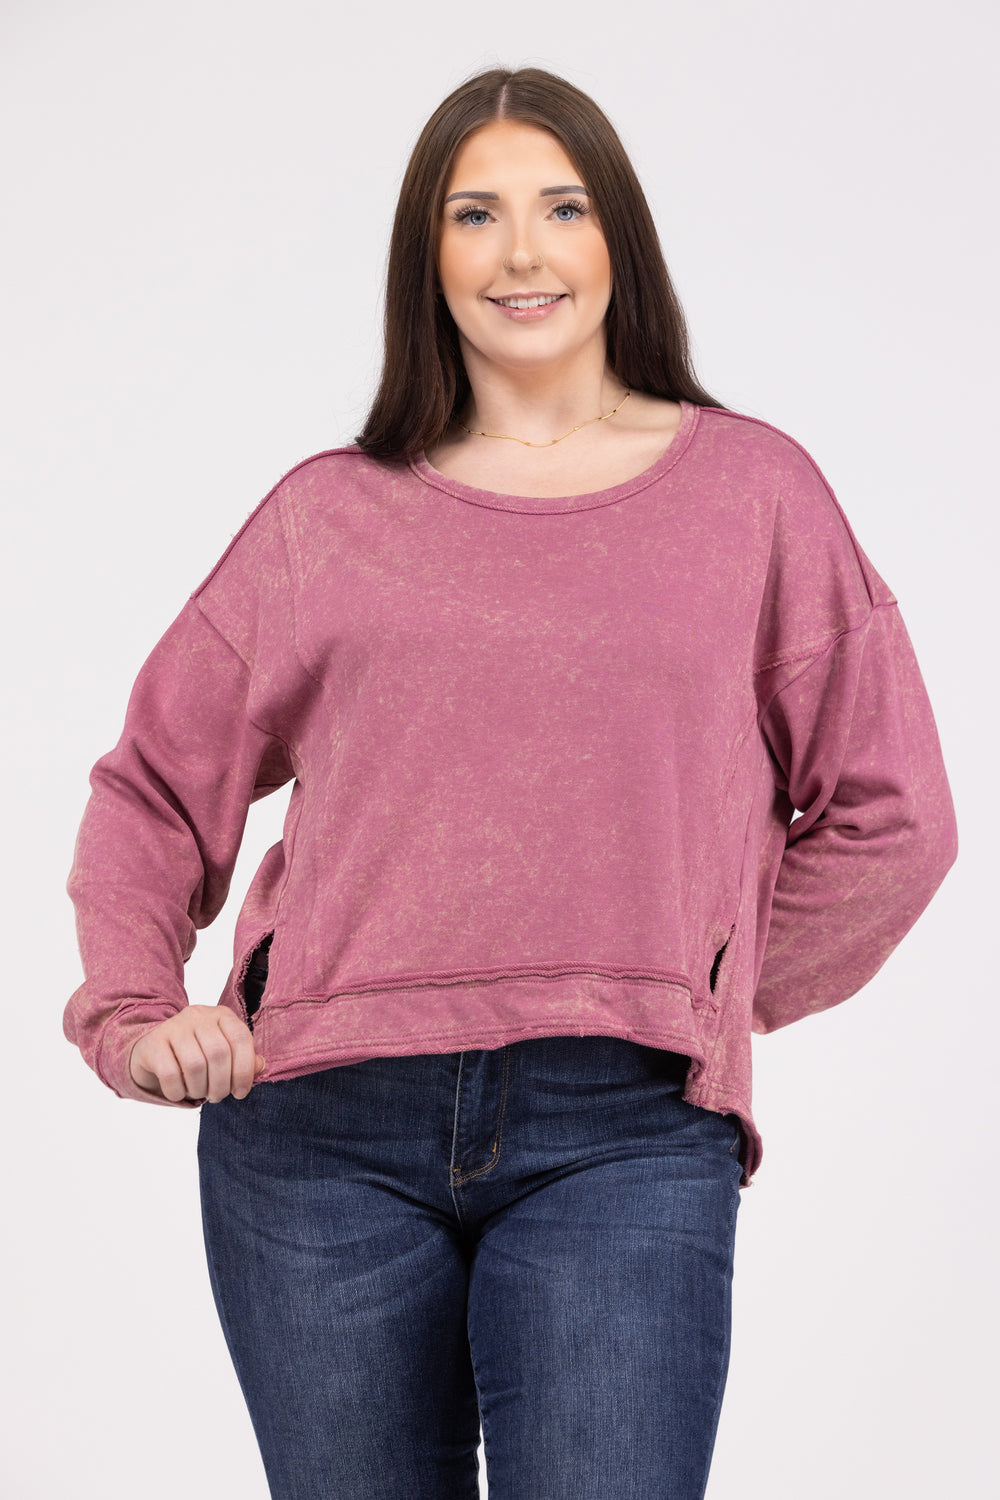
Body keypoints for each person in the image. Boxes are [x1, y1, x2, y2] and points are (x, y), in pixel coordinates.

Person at [63, 65, 958, 1500]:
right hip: (318, 1133)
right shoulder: (326, 516)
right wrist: (133, 1009)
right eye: (475, 214)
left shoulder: (753, 497)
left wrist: (705, 986)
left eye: (564, 208)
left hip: (624, 1131)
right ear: (428, 254)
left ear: (619, 241)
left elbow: (892, 815)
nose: (522, 251)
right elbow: (154, 791)